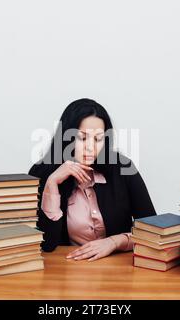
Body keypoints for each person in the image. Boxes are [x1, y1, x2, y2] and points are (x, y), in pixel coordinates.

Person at [29, 98, 156, 261]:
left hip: (118, 267)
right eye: (82, 138)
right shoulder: (42, 173)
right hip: (66, 268)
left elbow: (154, 232)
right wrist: (52, 184)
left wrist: (114, 242)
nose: (91, 147)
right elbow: (46, 245)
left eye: (98, 139)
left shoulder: (123, 168)